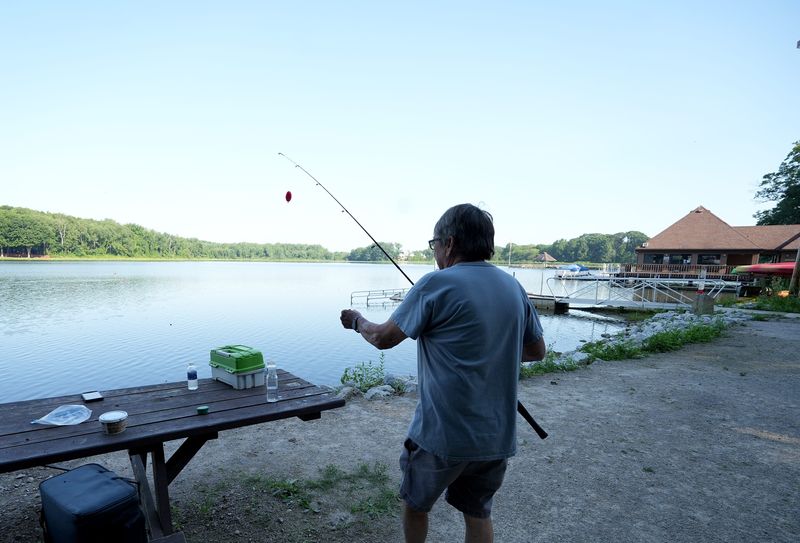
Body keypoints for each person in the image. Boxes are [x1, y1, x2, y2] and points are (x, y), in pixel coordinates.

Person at [340, 203, 546, 543]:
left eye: (434, 244)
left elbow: (381, 338)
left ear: (449, 244)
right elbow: (537, 352)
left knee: (415, 504)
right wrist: (490, 354)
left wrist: (357, 321)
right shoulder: (513, 288)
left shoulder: (436, 284)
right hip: (495, 435)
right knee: (478, 512)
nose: (434, 251)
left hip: (442, 434)